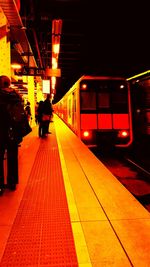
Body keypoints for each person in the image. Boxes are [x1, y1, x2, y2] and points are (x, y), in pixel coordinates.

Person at [0, 75, 29, 195]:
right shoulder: (16, 96)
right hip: (13, 131)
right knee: (12, 158)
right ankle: (12, 183)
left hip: (0, 131)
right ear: (9, 83)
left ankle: (0, 186)